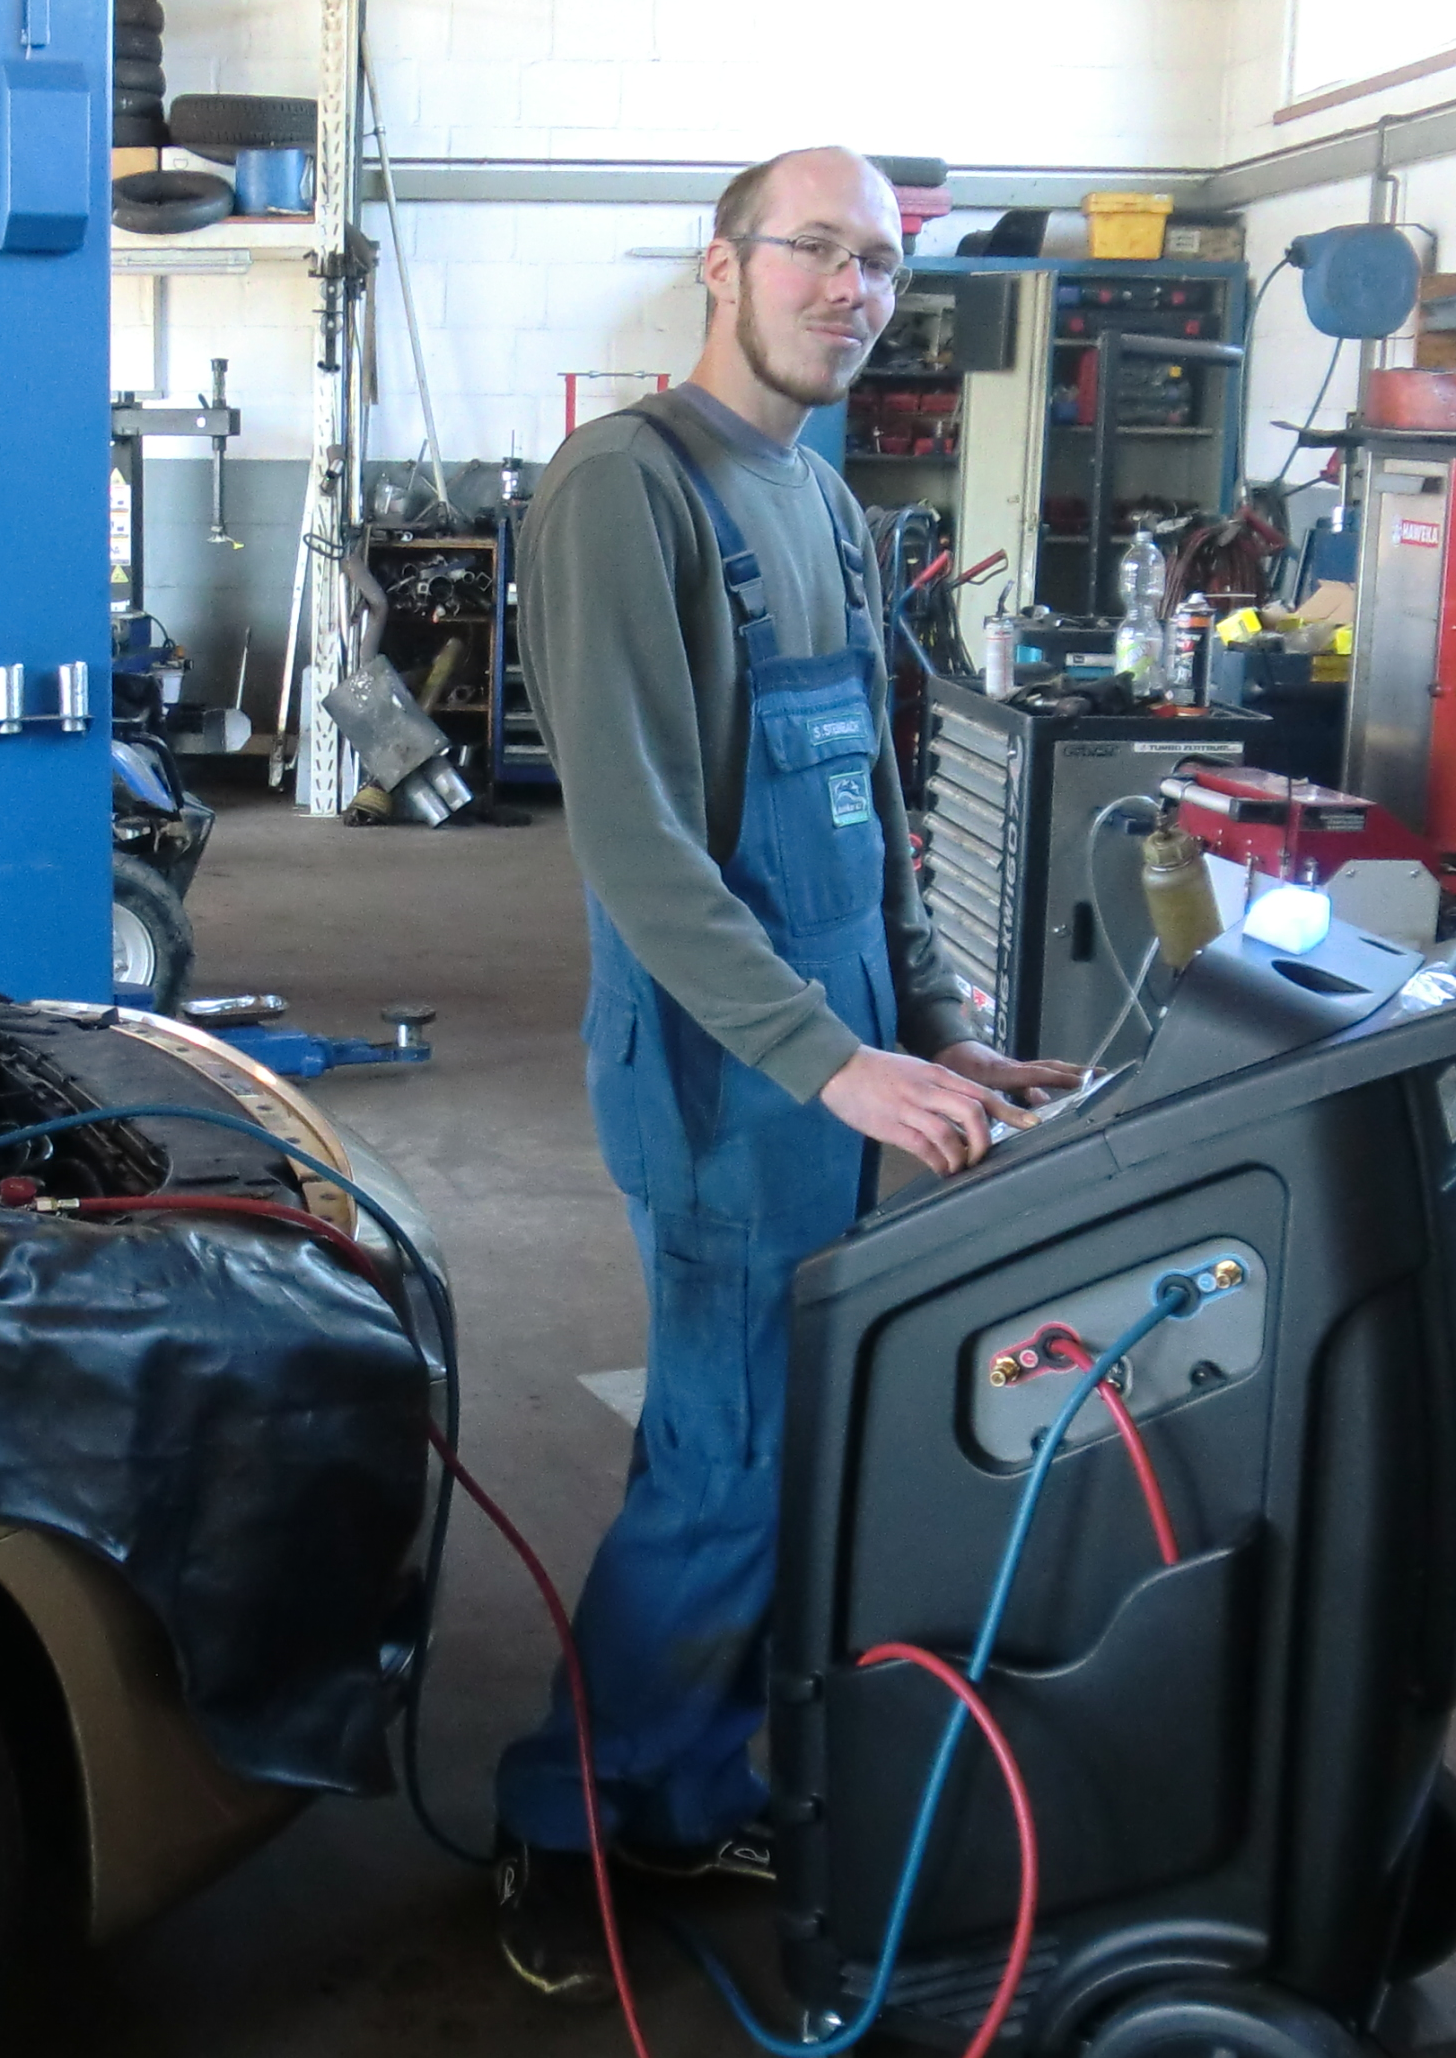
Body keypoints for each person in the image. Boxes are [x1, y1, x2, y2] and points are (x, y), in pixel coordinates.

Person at [492, 144, 1085, 2000]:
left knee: (771, 1441)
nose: (852, 290)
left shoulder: (820, 497)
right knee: (728, 1458)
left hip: (837, 1049)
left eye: (881, 264)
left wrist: (930, 1019)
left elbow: (869, 797)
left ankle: (686, 1784)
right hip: (721, 1065)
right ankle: (564, 1823)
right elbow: (638, 847)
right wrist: (830, 1061)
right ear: (722, 264)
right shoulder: (624, 490)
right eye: (815, 250)